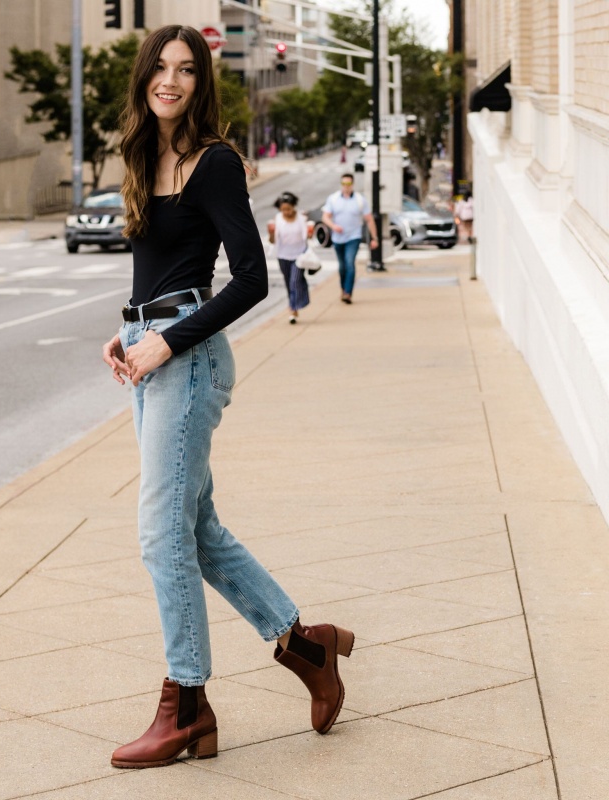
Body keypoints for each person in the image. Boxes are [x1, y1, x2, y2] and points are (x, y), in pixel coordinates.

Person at [101, 25, 355, 770]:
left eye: (185, 70)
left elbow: (249, 277)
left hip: (189, 359)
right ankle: (307, 648)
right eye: (160, 68)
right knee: (197, 529)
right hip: (152, 354)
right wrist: (128, 331)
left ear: (200, 81)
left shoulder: (214, 164)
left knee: (160, 534)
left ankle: (186, 704)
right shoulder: (144, 156)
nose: (170, 81)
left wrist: (168, 339)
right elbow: (159, 265)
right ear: (144, 77)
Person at [322, 173, 378, 304]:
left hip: (354, 237)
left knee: (350, 263)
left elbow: (369, 219)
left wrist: (374, 237)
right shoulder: (334, 199)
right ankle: (343, 289)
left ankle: (348, 292)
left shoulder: (360, 200)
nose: (346, 186)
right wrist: (333, 226)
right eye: (344, 184)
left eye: (348, 184)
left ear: (352, 184)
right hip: (338, 238)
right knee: (342, 267)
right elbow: (325, 217)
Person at [268, 191, 311, 324]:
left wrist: (310, 231)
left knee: (295, 281)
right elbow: (272, 241)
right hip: (283, 256)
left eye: (288, 209)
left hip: (299, 256)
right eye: (283, 209)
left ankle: (292, 309)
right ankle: (294, 303)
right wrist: (271, 232)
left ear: (294, 206)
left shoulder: (301, 218)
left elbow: (307, 237)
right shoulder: (278, 219)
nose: (286, 212)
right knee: (289, 283)